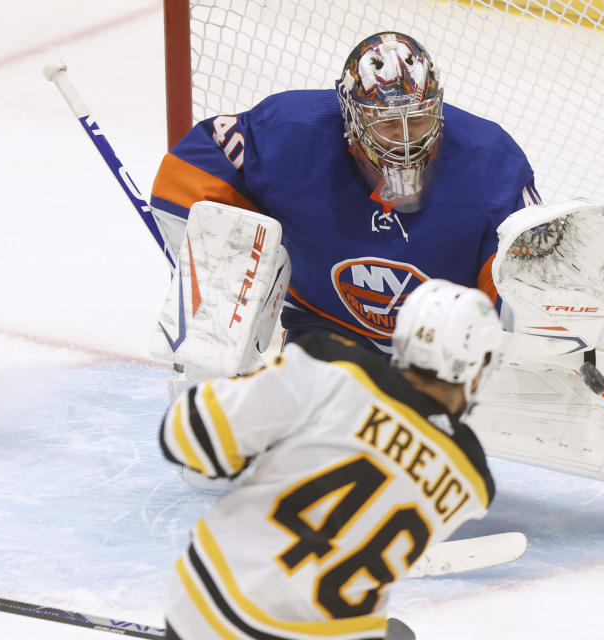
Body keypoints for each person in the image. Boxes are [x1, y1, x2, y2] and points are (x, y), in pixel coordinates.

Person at [150, 31, 540, 357]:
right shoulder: (292, 133)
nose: (406, 142)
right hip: (323, 330)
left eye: (418, 120)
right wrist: (218, 271)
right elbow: (194, 167)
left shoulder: (491, 163)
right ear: (350, 118)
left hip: (442, 357)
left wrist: (519, 345)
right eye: (387, 125)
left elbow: (524, 281)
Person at [159, 279, 504, 640]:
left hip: (204, 613)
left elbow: (186, 436)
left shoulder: (331, 368)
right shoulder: (473, 482)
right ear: (476, 368)